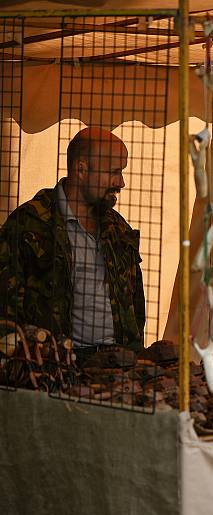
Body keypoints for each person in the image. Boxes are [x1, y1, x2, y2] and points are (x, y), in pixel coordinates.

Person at [0, 127, 145, 355]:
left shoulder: (118, 228)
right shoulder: (29, 223)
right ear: (81, 169)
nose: (121, 182)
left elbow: (136, 306)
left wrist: (133, 355)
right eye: (114, 172)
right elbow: (5, 304)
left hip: (116, 362)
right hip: (55, 364)